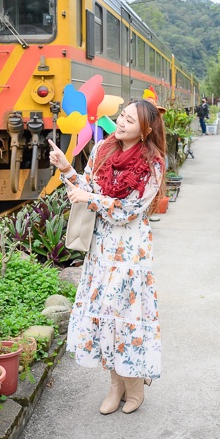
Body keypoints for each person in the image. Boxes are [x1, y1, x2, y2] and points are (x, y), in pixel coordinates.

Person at [48, 99, 166, 415]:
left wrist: (91, 198)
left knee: (126, 319)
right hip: (101, 250)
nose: (122, 122)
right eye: (122, 116)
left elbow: (128, 211)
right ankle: (115, 386)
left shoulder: (153, 164)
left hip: (130, 254)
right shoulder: (103, 150)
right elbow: (88, 189)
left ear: (146, 129)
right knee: (105, 317)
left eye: (130, 119)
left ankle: (135, 387)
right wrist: (66, 169)